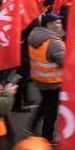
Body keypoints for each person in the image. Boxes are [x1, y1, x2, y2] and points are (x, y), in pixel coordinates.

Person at [27, 13, 65, 142]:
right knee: (51, 110)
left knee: (45, 103)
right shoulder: (54, 42)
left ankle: (32, 126)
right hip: (53, 81)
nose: (59, 24)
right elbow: (65, 62)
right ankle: (47, 136)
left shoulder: (34, 36)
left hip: (39, 79)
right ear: (49, 24)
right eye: (57, 22)